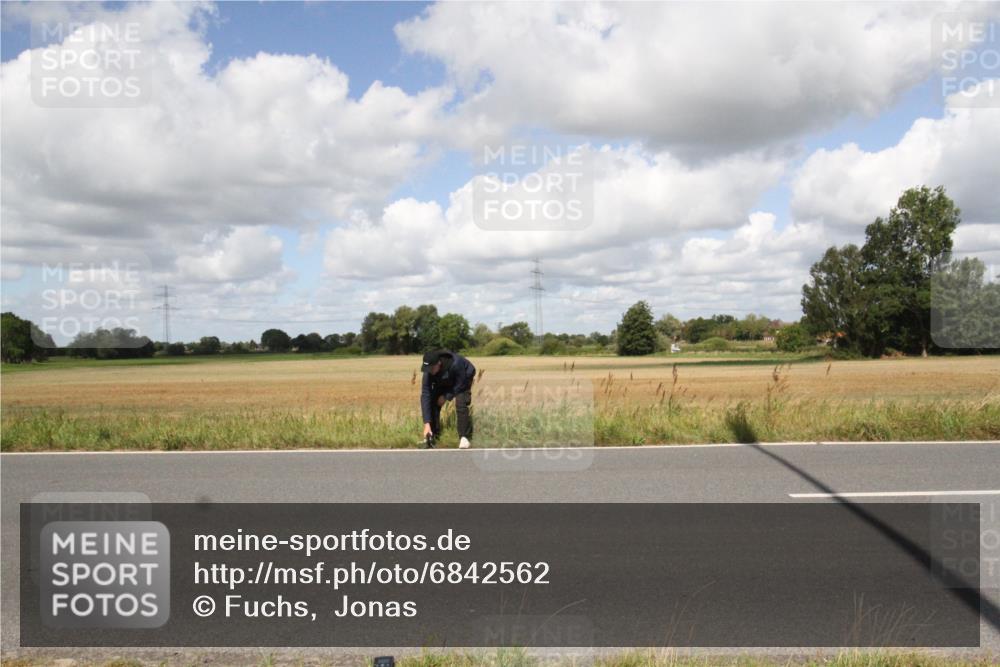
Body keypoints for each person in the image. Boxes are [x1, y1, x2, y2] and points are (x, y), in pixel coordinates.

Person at [420, 349, 475, 449]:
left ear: (439, 363)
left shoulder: (456, 363)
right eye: (427, 369)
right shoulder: (429, 371)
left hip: (464, 377)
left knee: (461, 402)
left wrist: (446, 396)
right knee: (433, 401)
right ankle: (433, 435)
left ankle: (464, 437)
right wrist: (426, 424)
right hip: (444, 379)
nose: (430, 371)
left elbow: (460, 384)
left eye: (432, 368)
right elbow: (425, 394)